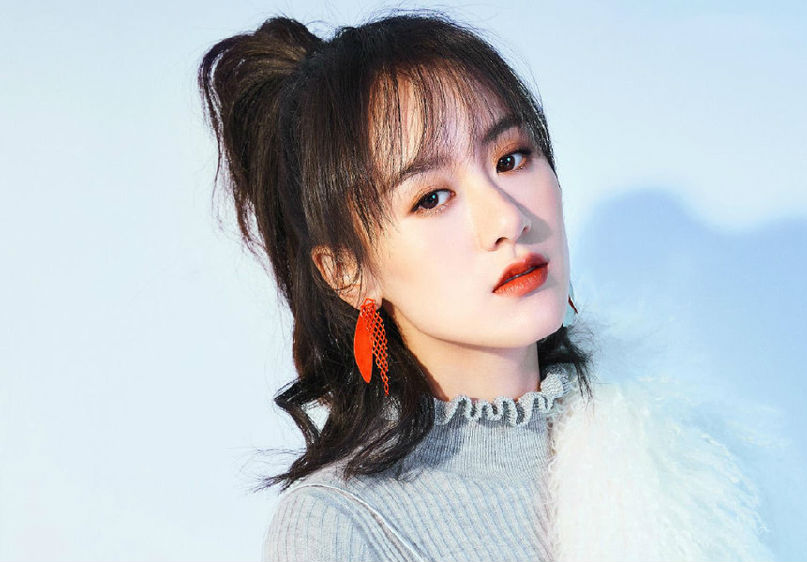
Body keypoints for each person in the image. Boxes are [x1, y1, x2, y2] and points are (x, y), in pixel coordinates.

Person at [198, 11, 777, 562]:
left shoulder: (684, 449)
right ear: (348, 272)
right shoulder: (343, 523)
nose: (507, 218)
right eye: (432, 197)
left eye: (511, 159)